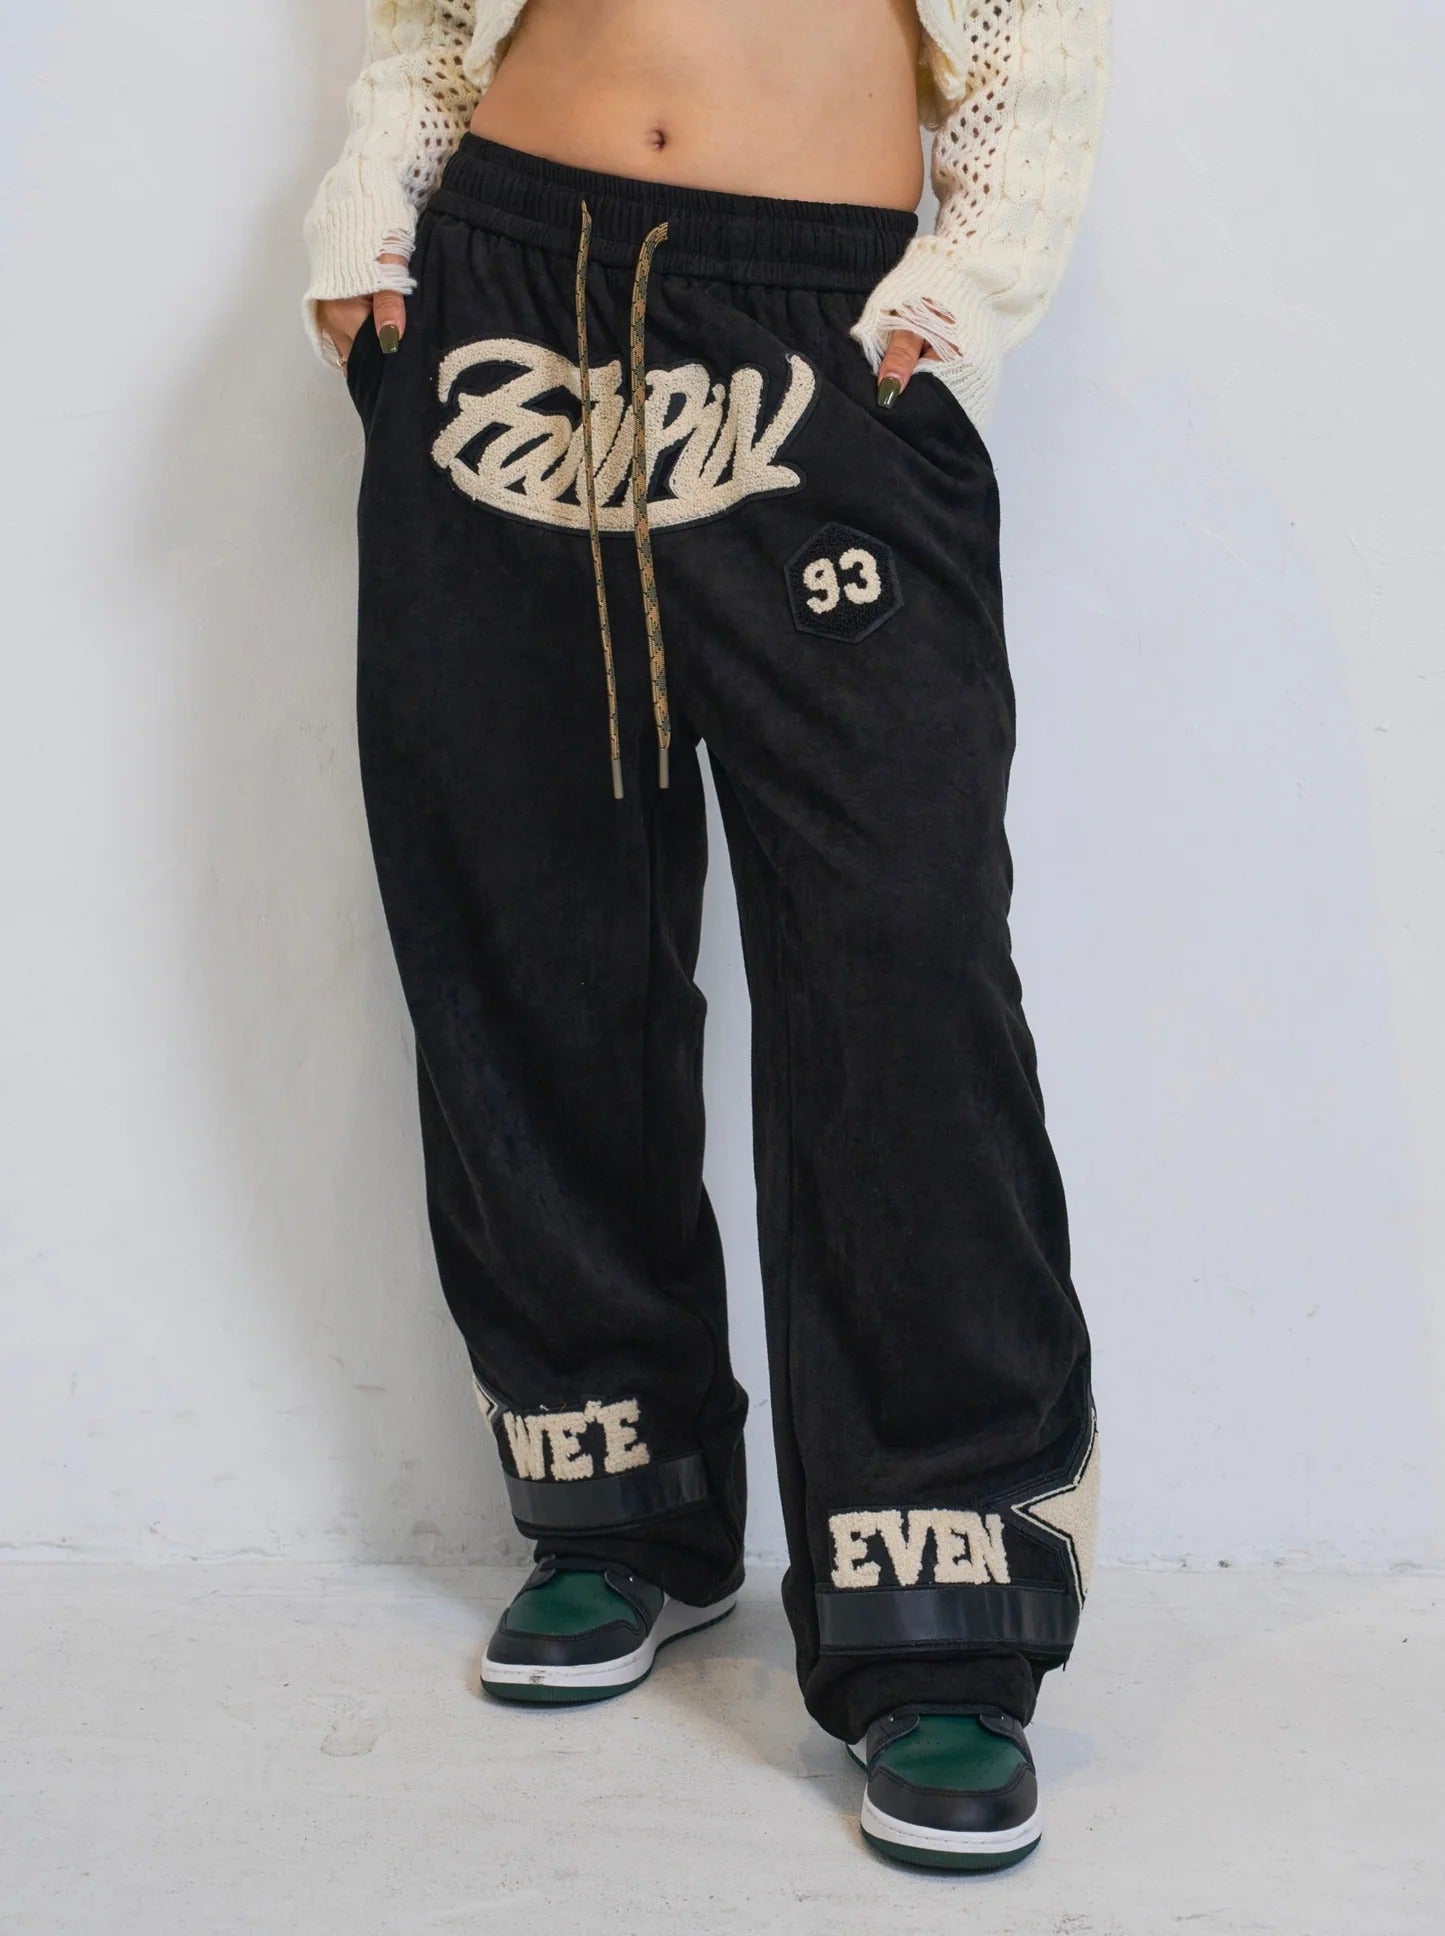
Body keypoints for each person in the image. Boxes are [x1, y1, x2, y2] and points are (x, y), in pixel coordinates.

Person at [303, 0, 1108, 1874]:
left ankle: (941, 1597)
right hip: (500, 295)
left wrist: (957, 297)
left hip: (820, 331)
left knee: (899, 963)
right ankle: (620, 1504)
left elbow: (1034, 45)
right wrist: (372, 218)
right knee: (521, 922)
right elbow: (427, 26)